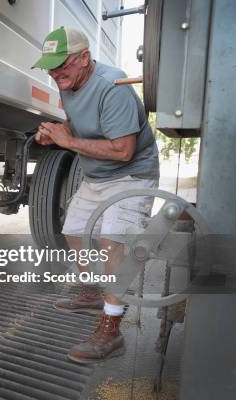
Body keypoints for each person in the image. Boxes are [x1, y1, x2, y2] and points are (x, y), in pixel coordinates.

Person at [31, 26, 159, 364]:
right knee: (74, 232)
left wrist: (67, 142)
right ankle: (93, 292)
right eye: (50, 66)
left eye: (62, 64)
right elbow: (76, 125)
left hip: (130, 174)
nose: (55, 73)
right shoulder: (69, 84)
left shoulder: (112, 86)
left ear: (85, 58)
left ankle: (111, 328)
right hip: (97, 175)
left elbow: (123, 150)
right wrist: (56, 135)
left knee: (111, 241)